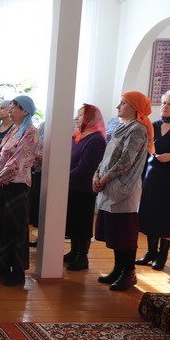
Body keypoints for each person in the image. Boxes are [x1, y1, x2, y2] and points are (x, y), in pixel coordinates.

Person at [94, 91, 153, 291]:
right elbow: (107, 156)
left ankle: (128, 273)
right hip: (110, 185)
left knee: (124, 233)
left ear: (135, 108)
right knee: (115, 232)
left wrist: (103, 178)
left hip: (123, 189)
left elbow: (125, 161)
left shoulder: (137, 130)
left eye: (123, 103)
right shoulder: (122, 127)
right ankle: (118, 268)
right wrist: (96, 174)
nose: (118, 107)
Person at [0, 96, 40, 286]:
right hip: (1, 184)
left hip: (16, 186)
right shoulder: (14, 129)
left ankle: (17, 271)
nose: (10, 110)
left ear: (25, 111)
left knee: (15, 228)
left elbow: (17, 162)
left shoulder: (30, 132)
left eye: (15, 107)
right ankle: (1, 263)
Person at [136, 89, 170, 270]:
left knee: (169, 216)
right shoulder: (152, 125)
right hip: (152, 176)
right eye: (163, 103)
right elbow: (144, 152)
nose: (165, 107)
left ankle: (163, 254)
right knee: (151, 213)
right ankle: (151, 252)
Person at [64, 104, 107, 271]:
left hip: (84, 188)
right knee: (73, 221)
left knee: (82, 222)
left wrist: (64, 176)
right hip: (71, 185)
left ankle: (82, 256)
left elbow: (85, 167)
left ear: (90, 118)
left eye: (81, 115)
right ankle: (74, 251)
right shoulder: (78, 135)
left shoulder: (96, 139)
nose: (76, 118)